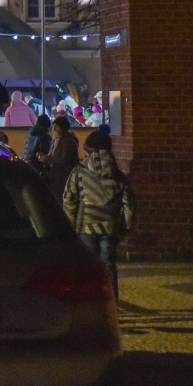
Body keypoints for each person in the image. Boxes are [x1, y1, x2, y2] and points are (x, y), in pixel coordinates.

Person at [61, 128, 133, 300]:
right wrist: (124, 226)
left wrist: (71, 225)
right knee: (108, 267)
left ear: (89, 149)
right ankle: (111, 306)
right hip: (110, 226)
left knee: (87, 268)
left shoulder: (79, 171)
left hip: (85, 225)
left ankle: (90, 305)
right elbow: (129, 204)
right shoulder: (118, 175)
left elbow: (69, 200)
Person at [46, 114, 80, 203]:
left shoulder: (68, 141)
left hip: (64, 176)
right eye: (53, 127)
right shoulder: (55, 140)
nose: (53, 129)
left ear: (63, 128)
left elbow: (65, 160)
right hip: (56, 175)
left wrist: (48, 159)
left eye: (56, 127)